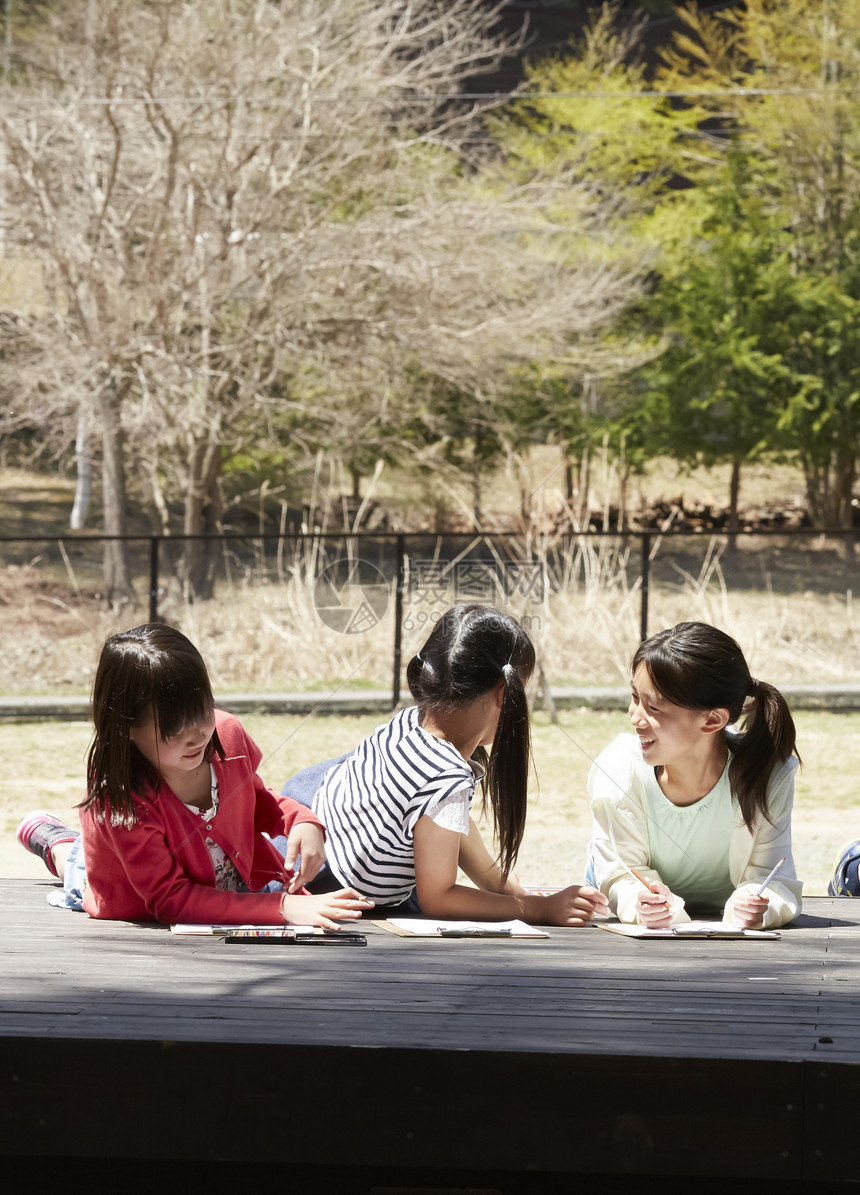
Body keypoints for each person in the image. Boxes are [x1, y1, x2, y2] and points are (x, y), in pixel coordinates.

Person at [17, 624, 372, 929]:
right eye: (172, 728)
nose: (198, 735)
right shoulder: (119, 799)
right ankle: (53, 841)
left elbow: (256, 797)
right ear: (124, 726)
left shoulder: (226, 733)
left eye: (202, 711)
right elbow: (169, 900)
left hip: (229, 892)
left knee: (85, 854)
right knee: (78, 870)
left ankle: (69, 842)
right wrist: (281, 907)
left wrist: (302, 821)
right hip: (128, 893)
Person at [282, 604, 608, 927]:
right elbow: (439, 898)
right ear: (503, 692)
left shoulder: (411, 725)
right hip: (314, 893)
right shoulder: (445, 776)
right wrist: (539, 911)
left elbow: (468, 849)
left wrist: (526, 897)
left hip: (294, 854)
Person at [586, 621, 802, 930]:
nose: (635, 717)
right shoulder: (618, 769)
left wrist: (758, 904)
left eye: (654, 708)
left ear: (713, 720)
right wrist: (642, 903)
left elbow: (772, 875)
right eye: (635, 698)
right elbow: (621, 874)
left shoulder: (767, 775)